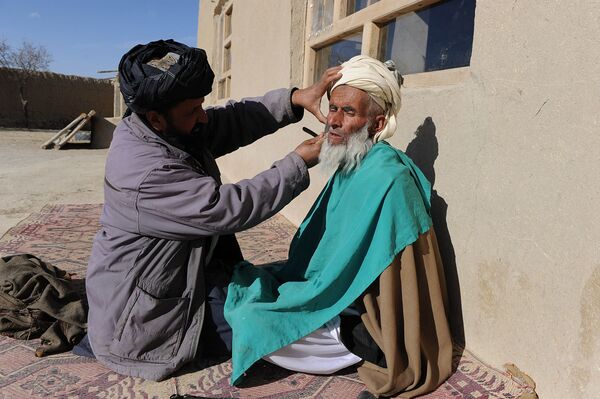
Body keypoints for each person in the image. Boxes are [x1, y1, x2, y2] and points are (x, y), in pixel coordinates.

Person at [83, 39, 342, 381]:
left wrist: (294, 99)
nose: (203, 116)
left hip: (186, 275)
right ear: (156, 118)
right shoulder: (145, 171)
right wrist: (297, 162)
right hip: (145, 317)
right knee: (277, 327)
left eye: (201, 105)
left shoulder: (163, 128)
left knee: (282, 286)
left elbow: (229, 121)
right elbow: (226, 208)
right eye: (193, 111)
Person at [224, 55, 453, 398]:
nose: (332, 120)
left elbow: (396, 282)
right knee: (248, 287)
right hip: (336, 294)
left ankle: (356, 341)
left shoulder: (389, 180)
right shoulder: (354, 159)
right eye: (333, 108)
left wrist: (342, 306)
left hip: (364, 313)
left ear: (376, 125)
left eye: (348, 112)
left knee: (253, 323)